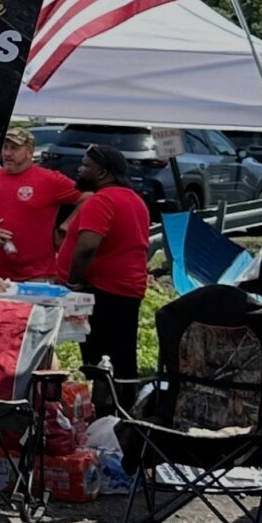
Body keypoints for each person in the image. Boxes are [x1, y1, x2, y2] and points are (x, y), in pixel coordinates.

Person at [59, 144, 152, 392]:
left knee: (101, 362)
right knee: (122, 357)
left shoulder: (101, 200)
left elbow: (87, 246)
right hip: (125, 290)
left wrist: (73, 281)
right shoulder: (135, 200)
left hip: (102, 291)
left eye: (85, 165)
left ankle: (107, 409)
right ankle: (121, 406)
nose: (79, 170)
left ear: (102, 172)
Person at [0, 127, 80, 283]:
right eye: (5, 147)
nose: (7, 153)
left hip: (36, 276)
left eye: (14, 148)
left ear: (29, 152)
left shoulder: (50, 180)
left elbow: (89, 198)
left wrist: (66, 226)